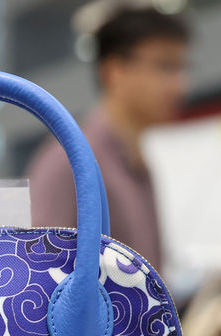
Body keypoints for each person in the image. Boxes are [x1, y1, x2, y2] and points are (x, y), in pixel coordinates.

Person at [27, 6, 189, 269]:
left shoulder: (135, 161)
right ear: (115, 70)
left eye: (181, 68)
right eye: (165, 66)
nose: (180, 85)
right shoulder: (70, 162)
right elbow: (39, 270)